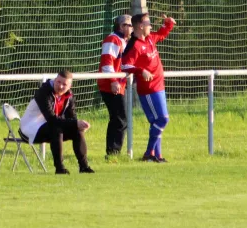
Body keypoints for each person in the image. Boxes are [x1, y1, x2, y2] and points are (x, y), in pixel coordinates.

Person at [121, 13, 176, 163]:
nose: (151, 26)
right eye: (148, 23)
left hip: (159, 86)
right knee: (162, 119)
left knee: (157, 122)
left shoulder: (150, 38)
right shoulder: (135, 45)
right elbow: (124, 64)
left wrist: (168, 24)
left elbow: (161, 34)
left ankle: (157, 155)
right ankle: (148, 153)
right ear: (140, 26)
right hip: (149, 89)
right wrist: (141, 70)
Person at [20, 70, 94, 174]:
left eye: (64, 84)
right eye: (58, 82)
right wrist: (74, 123)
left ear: (70, 86)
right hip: (30, 129)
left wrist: (78, 125)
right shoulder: (43, 92)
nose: (60, 86)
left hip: (50, 127)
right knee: (56, 129)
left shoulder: (69, 96)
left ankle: (84, 167)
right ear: (55, 80)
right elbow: (51, 118)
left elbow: (71, 118)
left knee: (77, 131)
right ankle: (59, 168)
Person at [98, 14, 133, 160]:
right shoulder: (113, 39)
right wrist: (113, 80)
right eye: (130, 25)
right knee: (120, 119)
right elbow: (107, 62)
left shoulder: (123, 41)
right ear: (121, 26)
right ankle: (113, 153)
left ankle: (113, 152)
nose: (132, 28)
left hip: (118, 84)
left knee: (118, 118)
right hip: (110, 85)